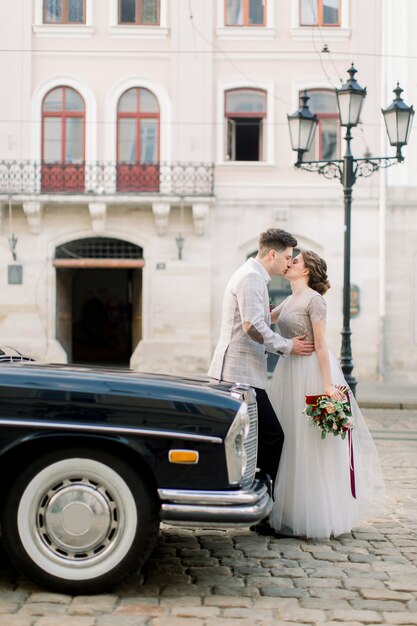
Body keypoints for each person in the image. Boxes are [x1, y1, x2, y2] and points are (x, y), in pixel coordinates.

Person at [268, 250, 385, 539]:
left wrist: (327, 385)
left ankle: (314, 515)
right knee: (289, 437)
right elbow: (265, 321)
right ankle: (288, 511)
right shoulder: (289, 299)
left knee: (308, 442)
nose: (290, 262)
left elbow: (321, 345)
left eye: (295, 261)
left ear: (306, 270)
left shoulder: (313, 299)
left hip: (309, 371)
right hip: (287, 370)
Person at [208, 229, 314, 505]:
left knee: (250, 439)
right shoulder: (251, 277)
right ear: (272, 254)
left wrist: (285, 309)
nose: (289, 263)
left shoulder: (252, 275)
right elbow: (252, 325)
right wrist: (287, 346)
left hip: (242, 373)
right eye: (287, 257)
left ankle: (251, 497)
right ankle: (261, 502)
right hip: (238, 375)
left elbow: (259, 318)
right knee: (272, 437)